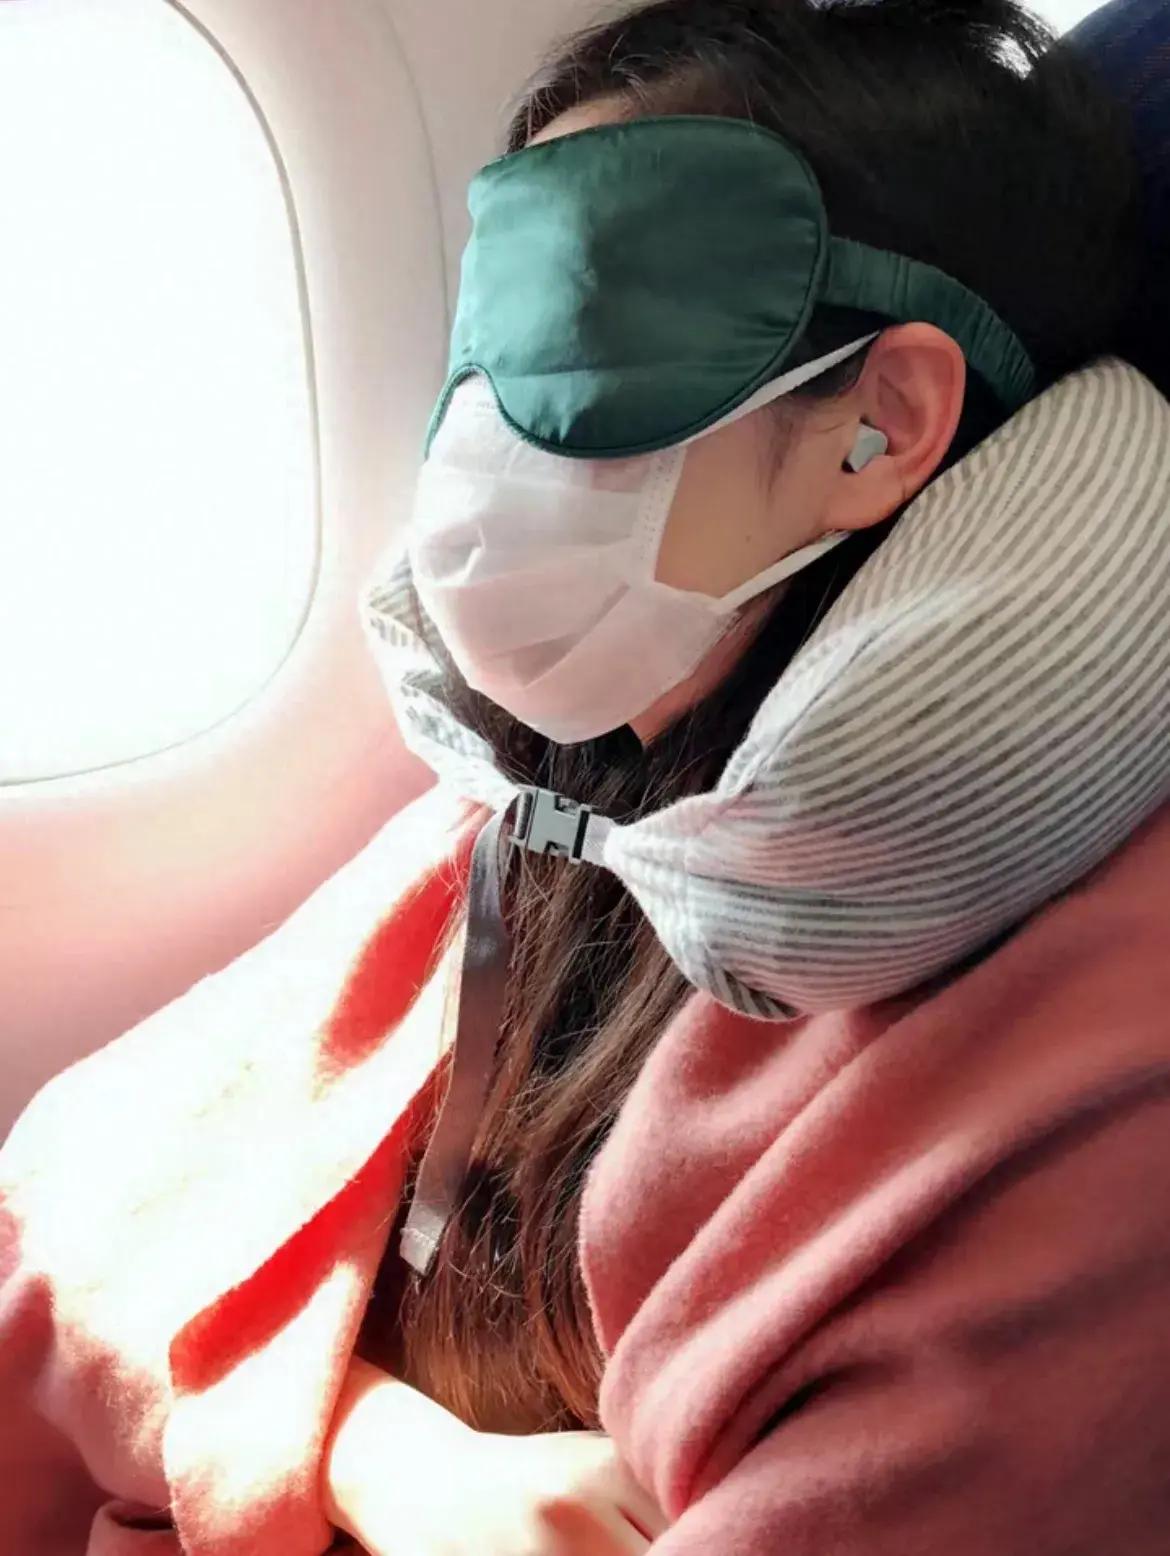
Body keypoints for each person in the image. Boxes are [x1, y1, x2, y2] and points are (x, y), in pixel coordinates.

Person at [5, 2, 1170, 1554]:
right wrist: (372, 1456)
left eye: (583, 342)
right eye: (487, 349)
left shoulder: (1093, 1047)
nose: (480, 454)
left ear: (881, 423)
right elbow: (73, 1207)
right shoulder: (539, 809)